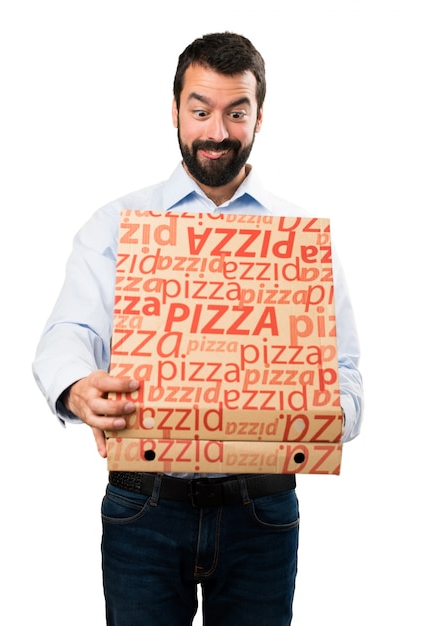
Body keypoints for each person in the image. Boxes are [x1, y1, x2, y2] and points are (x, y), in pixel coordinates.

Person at [33, 32, 363, 626]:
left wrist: (320, 411)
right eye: (200, 109)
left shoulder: (301, 241)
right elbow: (68, 331)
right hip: (144, 504)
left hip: (261, 510)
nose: (217, 131)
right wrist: (77, 385)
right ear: (175, 110)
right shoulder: (117, 225)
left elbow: (347, 382)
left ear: (260, 116)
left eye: (237, 112)